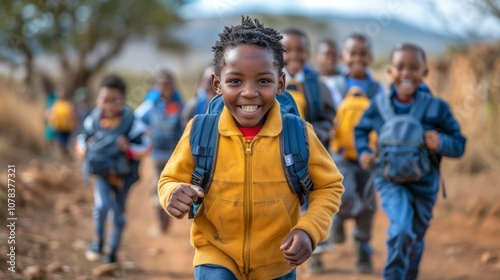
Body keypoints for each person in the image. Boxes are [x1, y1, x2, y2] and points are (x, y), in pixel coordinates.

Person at [158, 16, 344, 280]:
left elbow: (329, 186)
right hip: (215, 254)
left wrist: (309, 229)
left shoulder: (298, 133)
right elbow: (169, 178)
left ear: (280, 83)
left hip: (278, 262)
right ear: (216, 84)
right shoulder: (201, 131)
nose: (249, 92)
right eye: (235, 81)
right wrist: (172, 193)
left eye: (263, 81)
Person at [355, 43, 466, 279]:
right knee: (401, 230)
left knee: (414, 237)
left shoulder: (437, 108)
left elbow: (459, 144)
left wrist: (441, 143)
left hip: (425, 184)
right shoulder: (379, 105)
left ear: (425, 72)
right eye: (399, 67)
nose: (406, 73)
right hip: (389, 180)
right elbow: (360, 131)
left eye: (414, 67)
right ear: (390, 71)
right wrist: (364, 151)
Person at [326, 33, 387, 274]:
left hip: (368, 156)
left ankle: (363, 248)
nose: (357, 58)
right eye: (352, 53)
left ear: (370, 57)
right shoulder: (333, 86)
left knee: (369, 203)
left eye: (363, 54)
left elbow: (383, 120)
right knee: (345, 193)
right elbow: (326, 114)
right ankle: (338, 222)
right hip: (340, 155)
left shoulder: (377, 89)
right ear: (343, 57)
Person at [76, 74, 151, 264]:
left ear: (123, 101)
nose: (109, 106)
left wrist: (129, 149)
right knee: (101, 206)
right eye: (104, 100)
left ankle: (112, 252)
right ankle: (98, 243)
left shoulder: (132, 122)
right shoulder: (92, 120)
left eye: (114, 101)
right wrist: (86, 150)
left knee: (118, 214)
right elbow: (81, 141)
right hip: (101, 172)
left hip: (124, 175)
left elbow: (146, 147)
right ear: (97, 100)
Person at [135, 69, 184, 234]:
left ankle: (167, 217)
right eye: (162, 85)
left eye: (168, 84)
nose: (165, 88)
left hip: (173, 153)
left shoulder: (179, 103)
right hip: (155, 153)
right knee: (155, 186)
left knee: (171, 185)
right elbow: (137, 120)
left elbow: (185, 123)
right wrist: (146, 133)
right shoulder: (151, 103)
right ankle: (160, 221)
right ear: (157, 86)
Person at [280, 28, 335, 149]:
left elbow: (329, 118)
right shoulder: (270, 83)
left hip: (310, 147)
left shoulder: (320, 86)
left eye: (300, 50)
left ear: (308, 53)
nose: (294, 55)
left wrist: (308, 133)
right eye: (287, 50)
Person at [47, 85, 79, 156]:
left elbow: (74, 116)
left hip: (68, 129)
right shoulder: (56, 104)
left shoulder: (69, 104)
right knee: (60, 145)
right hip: (59, 129)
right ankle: (63, 159)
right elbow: (50, 115)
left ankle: (69, 159)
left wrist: (73, 125)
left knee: (67, 145)